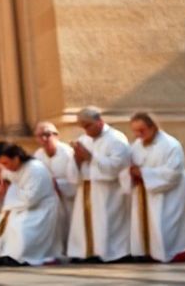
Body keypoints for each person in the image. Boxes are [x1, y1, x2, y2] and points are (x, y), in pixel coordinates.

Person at [127, 112, 185, 262]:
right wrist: (131, 174)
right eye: (135, 131)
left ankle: (171, 252)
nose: (138, 134)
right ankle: (145, 252)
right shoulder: (136, 145)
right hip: (145, 193)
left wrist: (143, 173)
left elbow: (173, 173)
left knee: (167, 225)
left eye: (142, 130)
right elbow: (129, 166)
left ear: (153, 127)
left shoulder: (170, 144)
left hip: (170, 194)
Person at [67, 107, 132, 263]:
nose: (85, 130)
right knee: (87, 222)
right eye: (82, 127)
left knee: (105, 222)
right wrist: (76, 159)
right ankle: (86, 252)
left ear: (100, 121)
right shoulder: (83, 140)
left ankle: (110, 253)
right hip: (87, 189)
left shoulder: (116, 138)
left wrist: (90, 157)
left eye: (88, 125)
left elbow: (118, 166)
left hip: (108, 190)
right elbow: (73, 169)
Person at [0, 142, 61, 266]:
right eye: (1, 164)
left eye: (5, 163)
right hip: (19, 208)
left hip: (40, 209)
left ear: (16, 158)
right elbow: (2, 189)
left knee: (20, 228)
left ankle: (17, 256)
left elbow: (31, 199)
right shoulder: (8, 169)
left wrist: (11, 189)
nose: (4, 167)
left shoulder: (36, 169)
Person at [32, 121, 77, 251]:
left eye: (48, 134)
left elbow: (74, 178)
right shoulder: (38, 155)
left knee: (72, 223)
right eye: (40, 136)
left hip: (68, 197)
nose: (44, 139)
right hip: (50, 199)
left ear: (56, 135)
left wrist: (57, 184)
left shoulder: (68, 153)